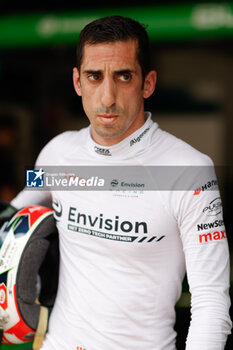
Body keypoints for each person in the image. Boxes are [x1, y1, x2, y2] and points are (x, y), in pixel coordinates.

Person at [10, 16, 231, 350]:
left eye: (123, 76)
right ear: (77, 82)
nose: (108, 97)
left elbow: (212, 301)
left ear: (148, 83)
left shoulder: (191, 171)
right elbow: (15, 214)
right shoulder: (56, 153)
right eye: (94, 77)